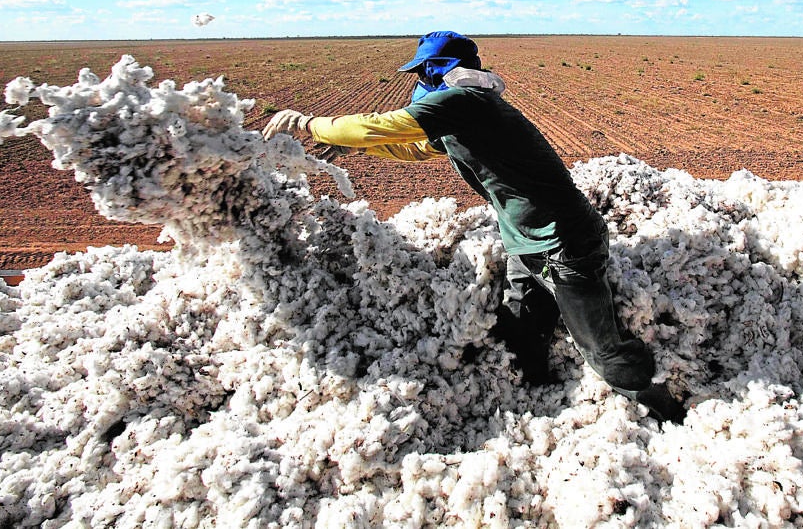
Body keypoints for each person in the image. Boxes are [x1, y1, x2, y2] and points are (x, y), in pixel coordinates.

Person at [262, 31, 685, 423]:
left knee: (601, 347)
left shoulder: (466, 103)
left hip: (565, 242)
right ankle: (541, 392)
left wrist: (309, 125)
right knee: (522, 322)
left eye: (423, 73)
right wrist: (341, 141)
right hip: (525, 241)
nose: (419, 83)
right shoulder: (463, 116)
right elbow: (410, 148)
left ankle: (662, 409)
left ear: (436, 70)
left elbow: (380, 124)